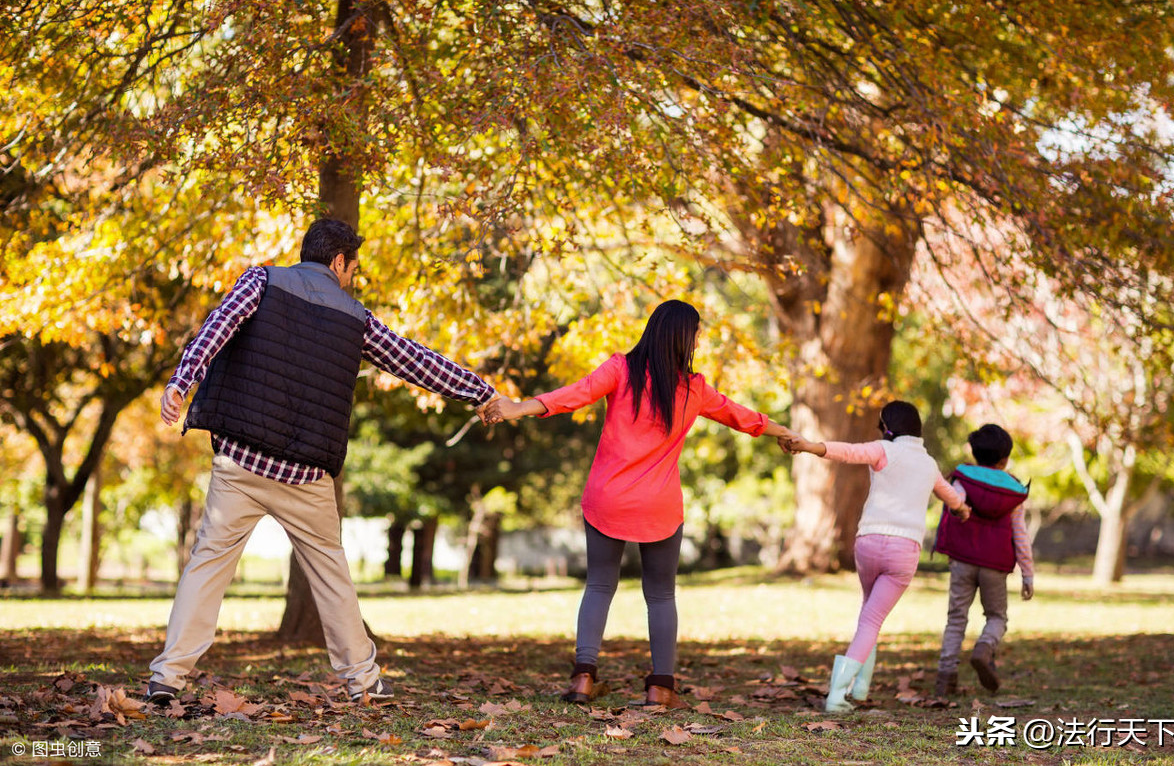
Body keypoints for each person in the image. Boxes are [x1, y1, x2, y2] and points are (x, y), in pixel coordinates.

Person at [146, 218, 496, 706]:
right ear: (339, 262)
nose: (353, 278)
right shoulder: (358, 318)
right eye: (354, 268)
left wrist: (181, 383)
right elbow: (415, 360)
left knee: (207, 564)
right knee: (331, 576)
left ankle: (168, 677)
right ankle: (363, 681)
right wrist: (480, 392)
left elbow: (215, 328)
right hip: (305, 476)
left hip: (241, 463)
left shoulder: (261, 281)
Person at [479, 300, 801, 709]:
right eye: (697, 332)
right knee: (662, 595)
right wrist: (785, 432)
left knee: (599, 585)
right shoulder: (694, 388)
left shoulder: (620, 369)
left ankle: (582, 680)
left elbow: (572, 396)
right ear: (683, 336)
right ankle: (660, 689)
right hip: (659, 506)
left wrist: (518, 407)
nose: (699, 339)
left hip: (606, 498)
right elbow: (742, 417)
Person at [780, 401, 970, 713]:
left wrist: (811, 446)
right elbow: (952, 498)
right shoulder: (929, 465)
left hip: (868, 543)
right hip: (902, 551)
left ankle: (859, 688)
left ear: (887, 427)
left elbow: (848, 451)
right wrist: (963, 510)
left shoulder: (884, 451)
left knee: (868, 616)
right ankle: (837, 696)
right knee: (872, 619)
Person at [932, 423, 1034, 697]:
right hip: (995, 565)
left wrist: (959, 509)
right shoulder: (1012, 490)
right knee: (997, 616)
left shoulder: (963, 478)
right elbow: (1020, 534)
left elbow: (957, 501)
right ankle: (984, 648)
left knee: (956, 618)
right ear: (1005, 459)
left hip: (963, 560)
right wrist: (1028, 573)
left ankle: (946, 678)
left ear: (975, 453)